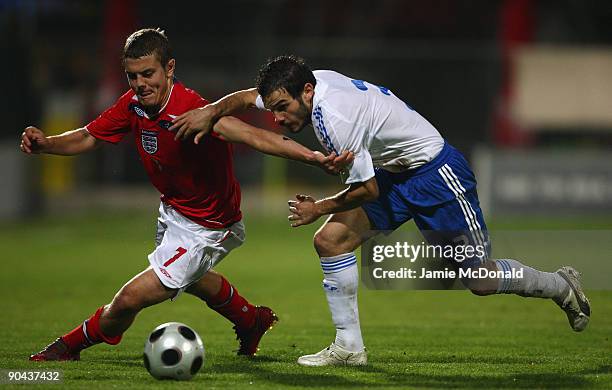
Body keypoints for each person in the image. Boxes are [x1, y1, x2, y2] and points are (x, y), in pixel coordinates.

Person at [169, 55, 592, 367]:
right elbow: (247, 97)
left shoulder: (334, 117)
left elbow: (366, 189)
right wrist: (210, 111)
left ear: (307, 93)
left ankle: (559, 285)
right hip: (397, 173)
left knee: (477, 279)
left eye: (282, 107)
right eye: (274, 108)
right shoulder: (305, 86)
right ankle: (349, 346)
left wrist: (318, 206)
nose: (277, 117)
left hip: (436, 175)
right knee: (332, 241)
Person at [22, 31, 349, 362]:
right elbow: (88, 137)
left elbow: (254, 136)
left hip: (209, 227)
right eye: (132, 76)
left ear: (169, 69)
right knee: (192, 279)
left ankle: (68, 347)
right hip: (174, 212)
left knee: (129, 299)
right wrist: (47, 143)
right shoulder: (132, 106)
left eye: (148, 74)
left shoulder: (192, 111)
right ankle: (252, 320)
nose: (140, 84)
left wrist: (314, 158)